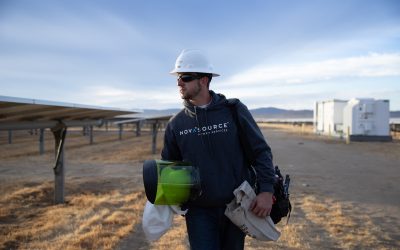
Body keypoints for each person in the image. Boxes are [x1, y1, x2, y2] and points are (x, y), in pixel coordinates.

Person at [161, 49, 275, 250]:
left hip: (237, 206)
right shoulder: (176, 124)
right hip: (199, 212)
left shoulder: (233, 111)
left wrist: (266, 190)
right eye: (178, 78)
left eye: (185, 77)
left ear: (204, 80)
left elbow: (260, 151)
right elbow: (170, 167)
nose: (179, 83)